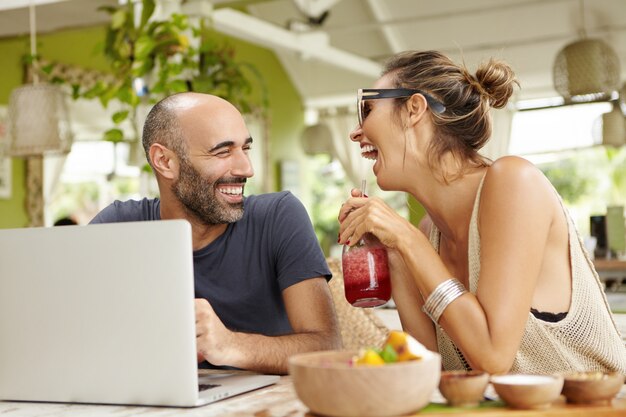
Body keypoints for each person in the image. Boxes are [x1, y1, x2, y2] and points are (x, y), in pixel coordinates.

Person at [338, 50, 626, 374]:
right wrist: (395, 252)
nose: (356, 132)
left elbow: (492, 358)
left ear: (414, 109)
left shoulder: (514, 183)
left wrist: (404, 238)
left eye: (367, 108)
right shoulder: (427, 233)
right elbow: (436, 375)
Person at [91, 92, 341, 374]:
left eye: (245, 149)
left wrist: (230, 345)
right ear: (165, 161)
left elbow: (328, 348)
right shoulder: (117, 228)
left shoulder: (278, 217)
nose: (247, 169)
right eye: (223, 151)